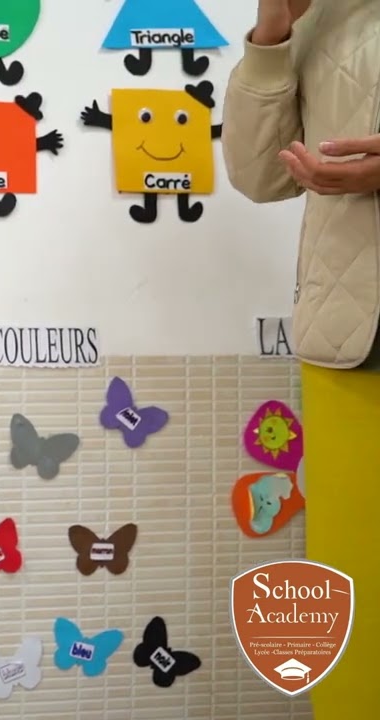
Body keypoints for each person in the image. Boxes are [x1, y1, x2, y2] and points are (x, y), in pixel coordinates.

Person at [221, 0, 380, 714]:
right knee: (356, 581)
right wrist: (273, 32)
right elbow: (259, 176)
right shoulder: (327, 17)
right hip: (350, 342)